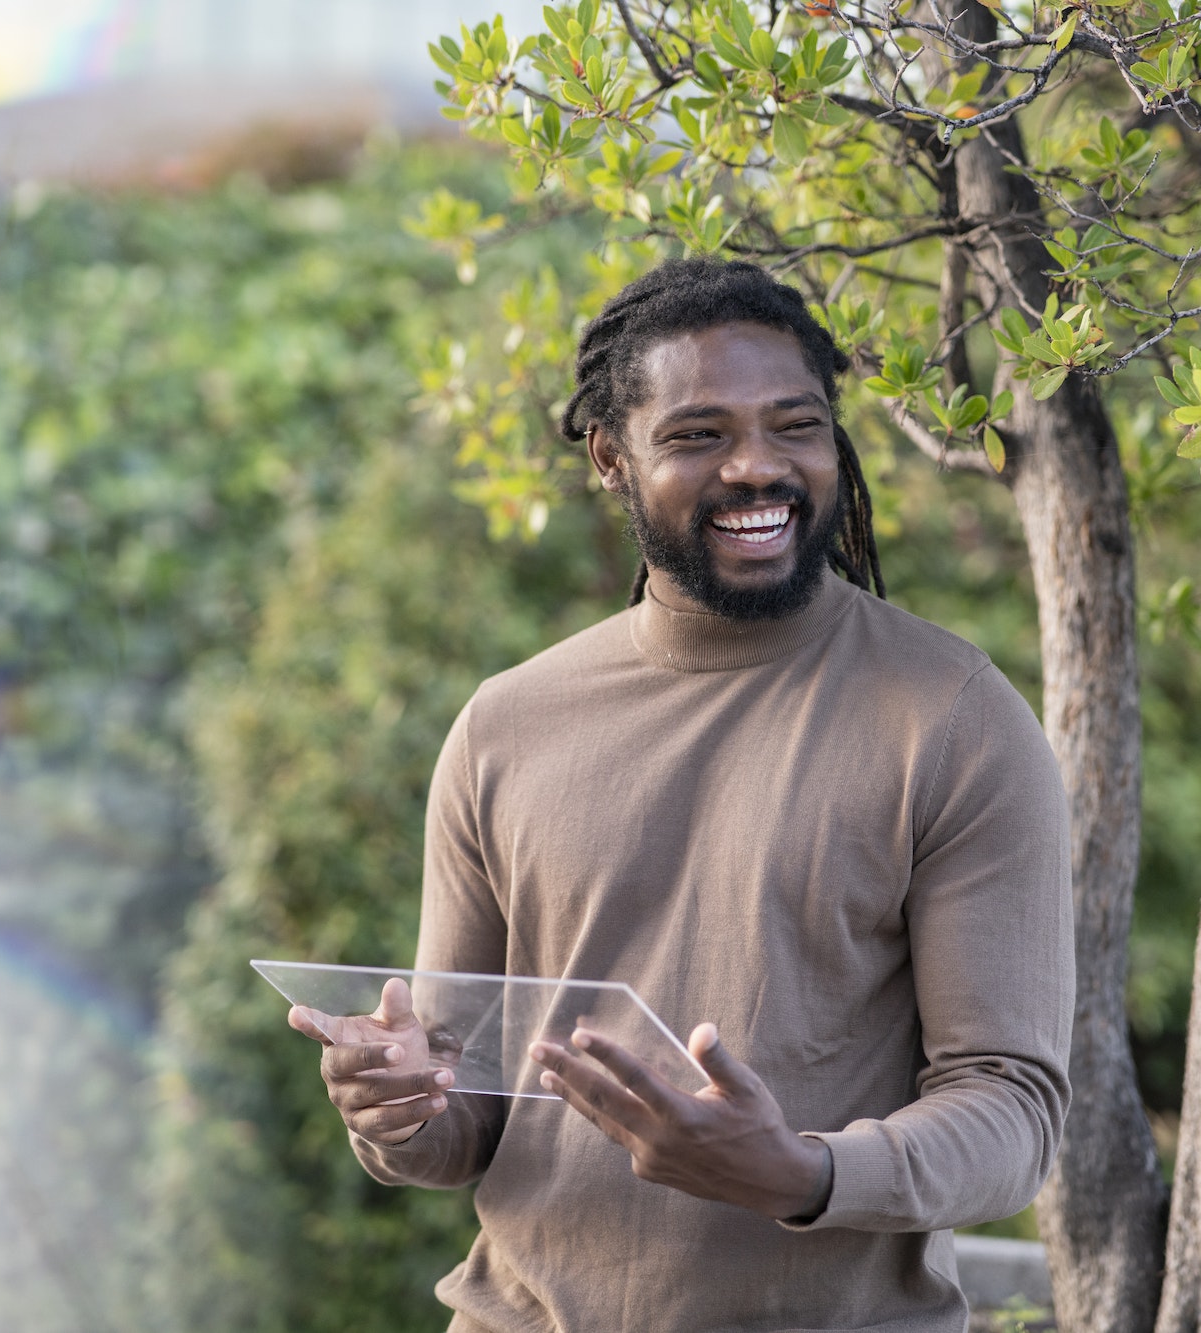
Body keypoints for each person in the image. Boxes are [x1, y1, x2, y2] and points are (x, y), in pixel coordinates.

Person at [291, 258, 1075, 1332]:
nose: (757, 466)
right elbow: (461, 1118)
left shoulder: (951, 721)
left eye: (793, 425)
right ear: (610, 456)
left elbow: (1013, 1114)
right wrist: (393, 1106)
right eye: (699, 435)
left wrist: (800, 1171)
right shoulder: (506, 724)